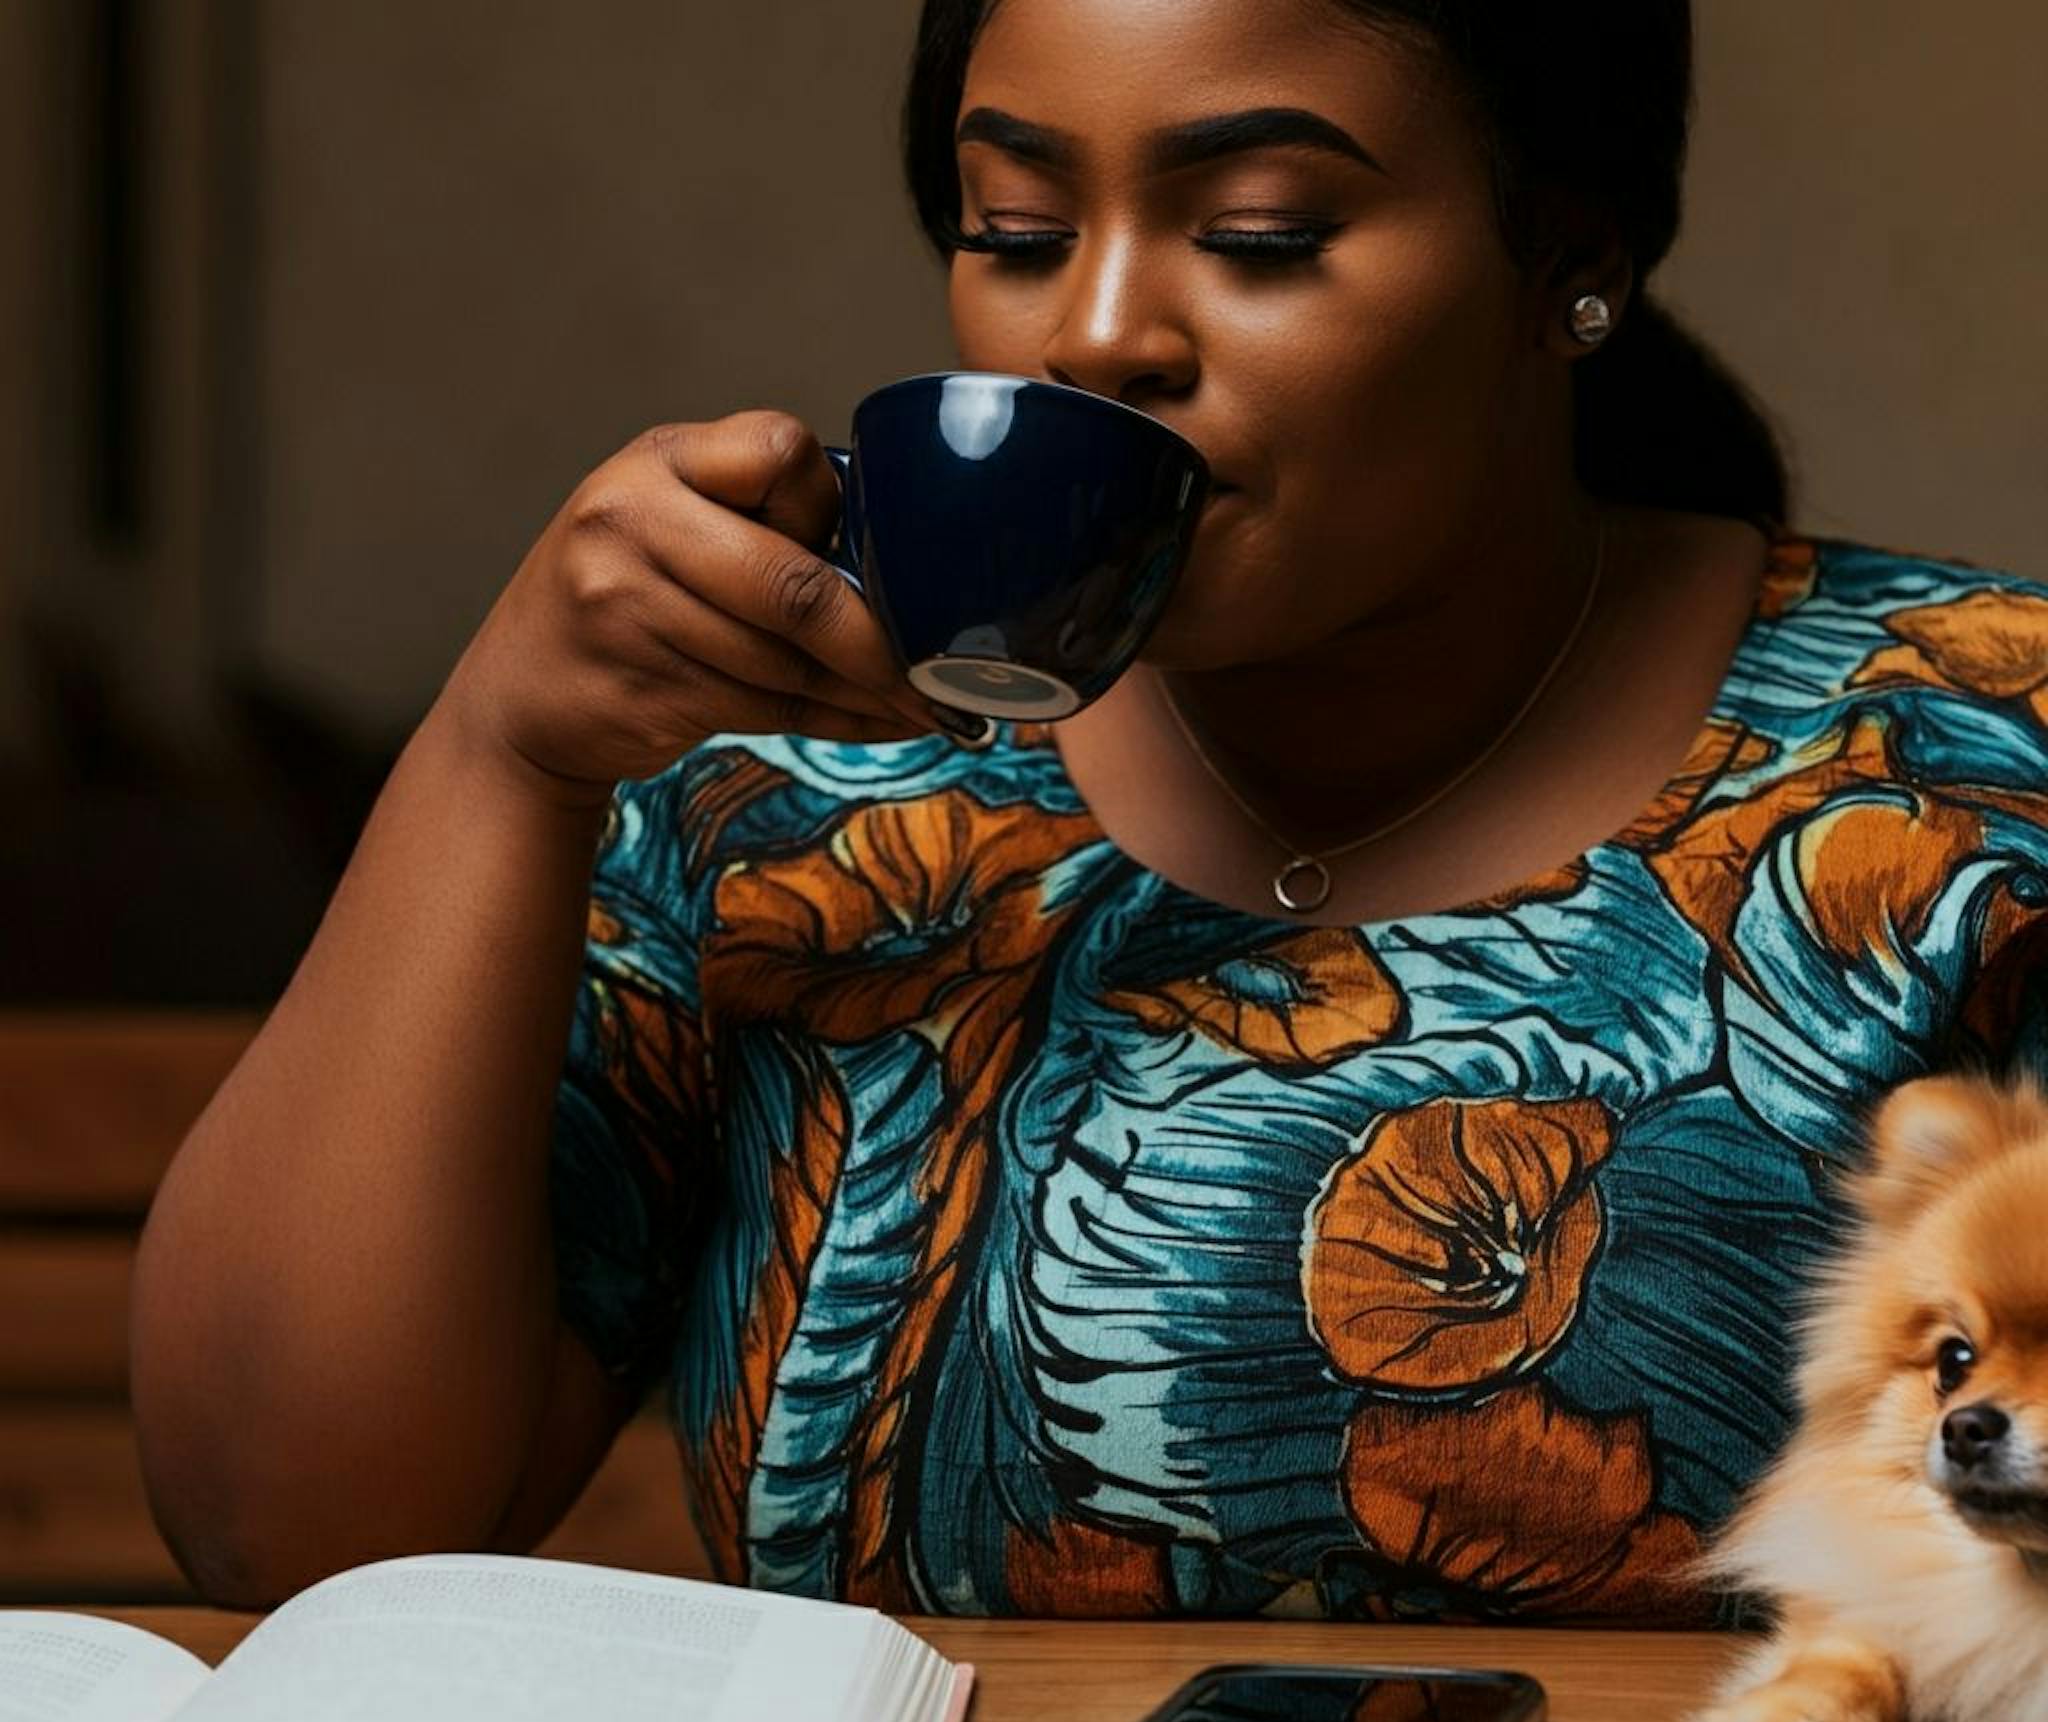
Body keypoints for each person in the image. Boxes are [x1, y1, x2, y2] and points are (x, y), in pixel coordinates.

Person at [131, 0, 2048, 1620]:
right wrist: (500, 756)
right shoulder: (787, 793)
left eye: (1268, 231)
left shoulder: (1980, 759)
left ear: (1570, 266)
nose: (1097, 335)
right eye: (1019, 228)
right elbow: (282, 1534)